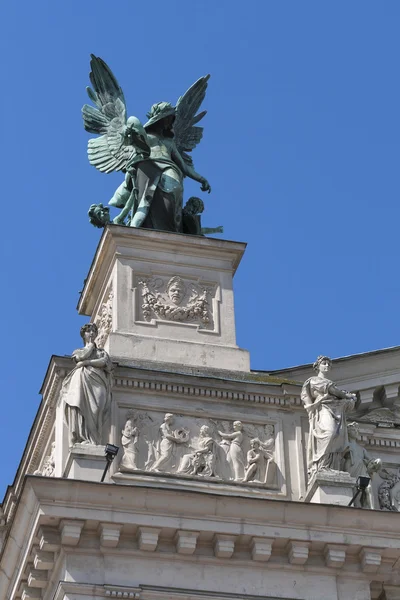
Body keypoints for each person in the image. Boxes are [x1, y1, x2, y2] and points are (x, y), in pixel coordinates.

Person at [301, 356, 356, 478]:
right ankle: (322, 465)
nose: (327, 366)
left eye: (328, 364)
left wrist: (347, 398)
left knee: (337, 435)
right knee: (329, 433)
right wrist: (347, 396)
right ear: (318, 366)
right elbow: (331, 390)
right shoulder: (314, 380)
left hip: (336, 409)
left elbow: (335, 392)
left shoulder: (330, 384)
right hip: (324, 409)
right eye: (324, 363)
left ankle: (332, 466)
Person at [61, 323, 112, 446]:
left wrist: (87, 363)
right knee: (81, 406)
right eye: (89, 331)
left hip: (98, 381)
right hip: (82, 381)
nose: (92, 333)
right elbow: (81, 356)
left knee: (96, 410)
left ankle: (95, 439)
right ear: (84, 335)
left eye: (94, 331)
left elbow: (104, 362)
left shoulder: (101, 352)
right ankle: (85, 438)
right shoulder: (78, 351)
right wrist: (90, 346)